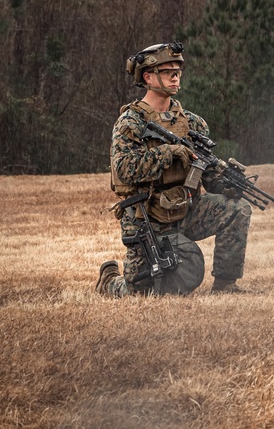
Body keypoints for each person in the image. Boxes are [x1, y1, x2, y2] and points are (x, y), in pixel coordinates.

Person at [96, 42, 252, 296]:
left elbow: (209, 174)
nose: (175, 75)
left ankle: (226, 284)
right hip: (148, 217)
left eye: (177, 70)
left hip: (187, 209)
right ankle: (110, 281)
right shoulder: (130, 122)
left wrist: (228, 183)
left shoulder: (191, 122)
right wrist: (167, 153)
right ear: (148, 77)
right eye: (167, 71)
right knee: (145, 293)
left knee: (237, 209)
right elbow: (124, 169)